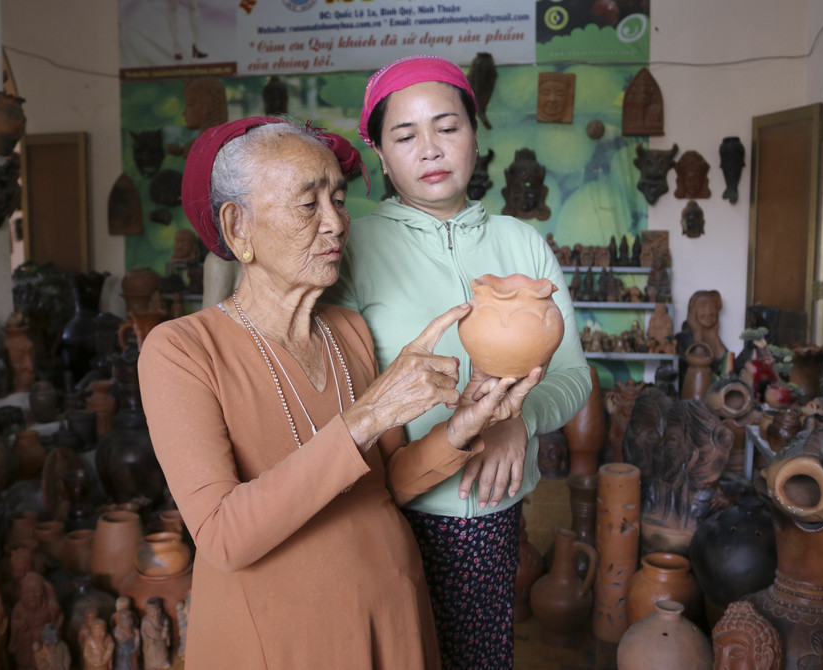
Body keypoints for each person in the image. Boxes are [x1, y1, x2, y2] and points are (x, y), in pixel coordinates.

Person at [137, 115, 540, 669]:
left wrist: (463, 426)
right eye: (308, 205)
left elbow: (390, 483)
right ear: (238, 229)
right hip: (286, 643)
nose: (336, 223)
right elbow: (223, 536)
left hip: (394, 614)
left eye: (339, 200)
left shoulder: (346, 329)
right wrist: (366, 416)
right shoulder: (181, 350)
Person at [324, 54, 591, 669]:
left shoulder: (522, 243)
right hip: (387, 508)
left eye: (447, 127)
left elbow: (575, 375)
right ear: (381, 155)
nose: (430, 148)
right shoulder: (351, 247)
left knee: (477, 660)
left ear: (475, 133)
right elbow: (337, 391)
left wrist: (516, 422)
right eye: (405, 134)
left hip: (488, 516)